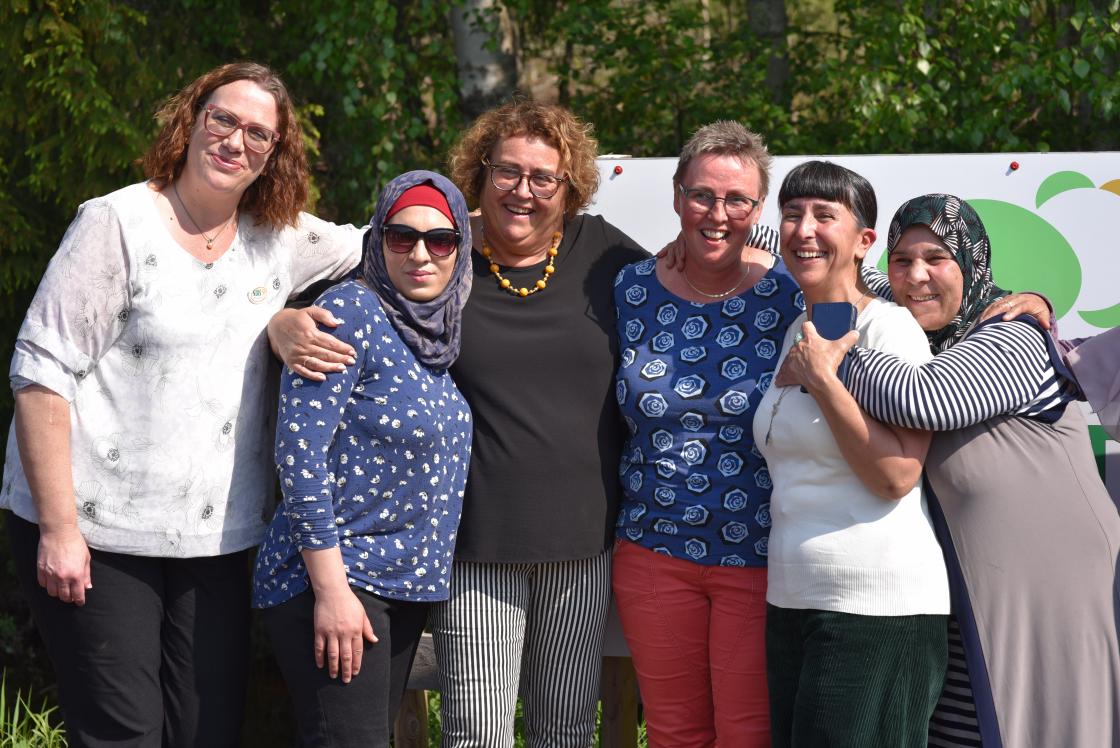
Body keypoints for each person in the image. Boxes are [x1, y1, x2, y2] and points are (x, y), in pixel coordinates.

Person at [0, 62, 362, 746]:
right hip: (95, 531)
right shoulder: (116, 224)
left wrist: (286, 318)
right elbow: (40, 374)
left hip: (215, 537)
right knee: (124, 731)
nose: (235, 141)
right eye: (222, 119)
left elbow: (394, 244)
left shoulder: (278, 239)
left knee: (206, 730)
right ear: (191, 121)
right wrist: (58, 529)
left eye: (258, 134)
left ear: (273, 156)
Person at [269, 100, 648, 747]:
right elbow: (342, 284)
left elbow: (697, 277)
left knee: (567, 732)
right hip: (476, 546)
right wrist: (279, 323)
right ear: (480, 172)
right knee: (477, 734)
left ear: (570, 187)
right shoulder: (443, 246)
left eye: (542, 177)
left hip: (583, 546)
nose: (522, 190)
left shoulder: (601, 252)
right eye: (506, 171)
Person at [779, 193, 1120, 747]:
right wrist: (763, 248)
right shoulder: (928, 331)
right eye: (901, 260)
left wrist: (829, 360)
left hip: (1047, 591)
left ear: (972, 263)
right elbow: (847, 274)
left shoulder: (1014, 335)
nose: (916, 277)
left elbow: (923, 399)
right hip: (967, 592)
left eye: (937, 258)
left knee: (1042, 723)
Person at [252, 170, 473, 748]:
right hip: (340, 580)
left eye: (441, 240)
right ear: (377, 242)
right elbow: (299, 454)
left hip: (401, 589)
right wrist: (331, 590)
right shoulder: (351, 310)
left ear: (460, 250)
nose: (421, 254)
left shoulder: (439, 336)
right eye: (400, 237)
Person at [611, 120, 797, 746]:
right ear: (676, 196)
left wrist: (1023, 301)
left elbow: (869, 286)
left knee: (748, 734)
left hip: (759, 555)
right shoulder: (631, 288)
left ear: (758, 208)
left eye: (737, 200)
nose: (718, 213)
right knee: (673, 733)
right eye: (702, 196)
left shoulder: (789, 292)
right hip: (653, 550)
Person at [753, 161, 950, 747]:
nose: (803, 229)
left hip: (875, 605)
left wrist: (824, 381)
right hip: (791, 596)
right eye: (791, 215)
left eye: (823, 215)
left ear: (865, 240)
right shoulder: (798, 329)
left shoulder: (891, 328)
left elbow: (895, 475)